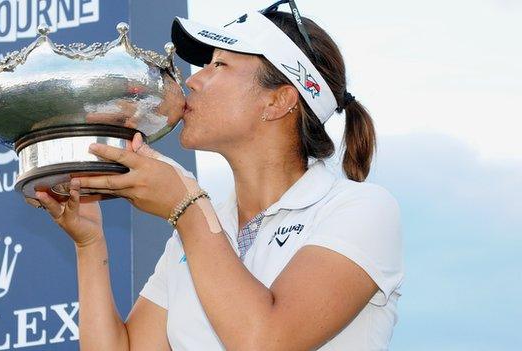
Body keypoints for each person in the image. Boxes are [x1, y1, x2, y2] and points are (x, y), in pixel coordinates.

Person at [35, 1, 404, 350]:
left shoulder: (361, 209)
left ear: (278, 101)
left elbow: (266, 340)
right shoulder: (198, 230)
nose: (193, 81)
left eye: (219, 66)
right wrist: (89, 244)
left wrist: (188, 207)